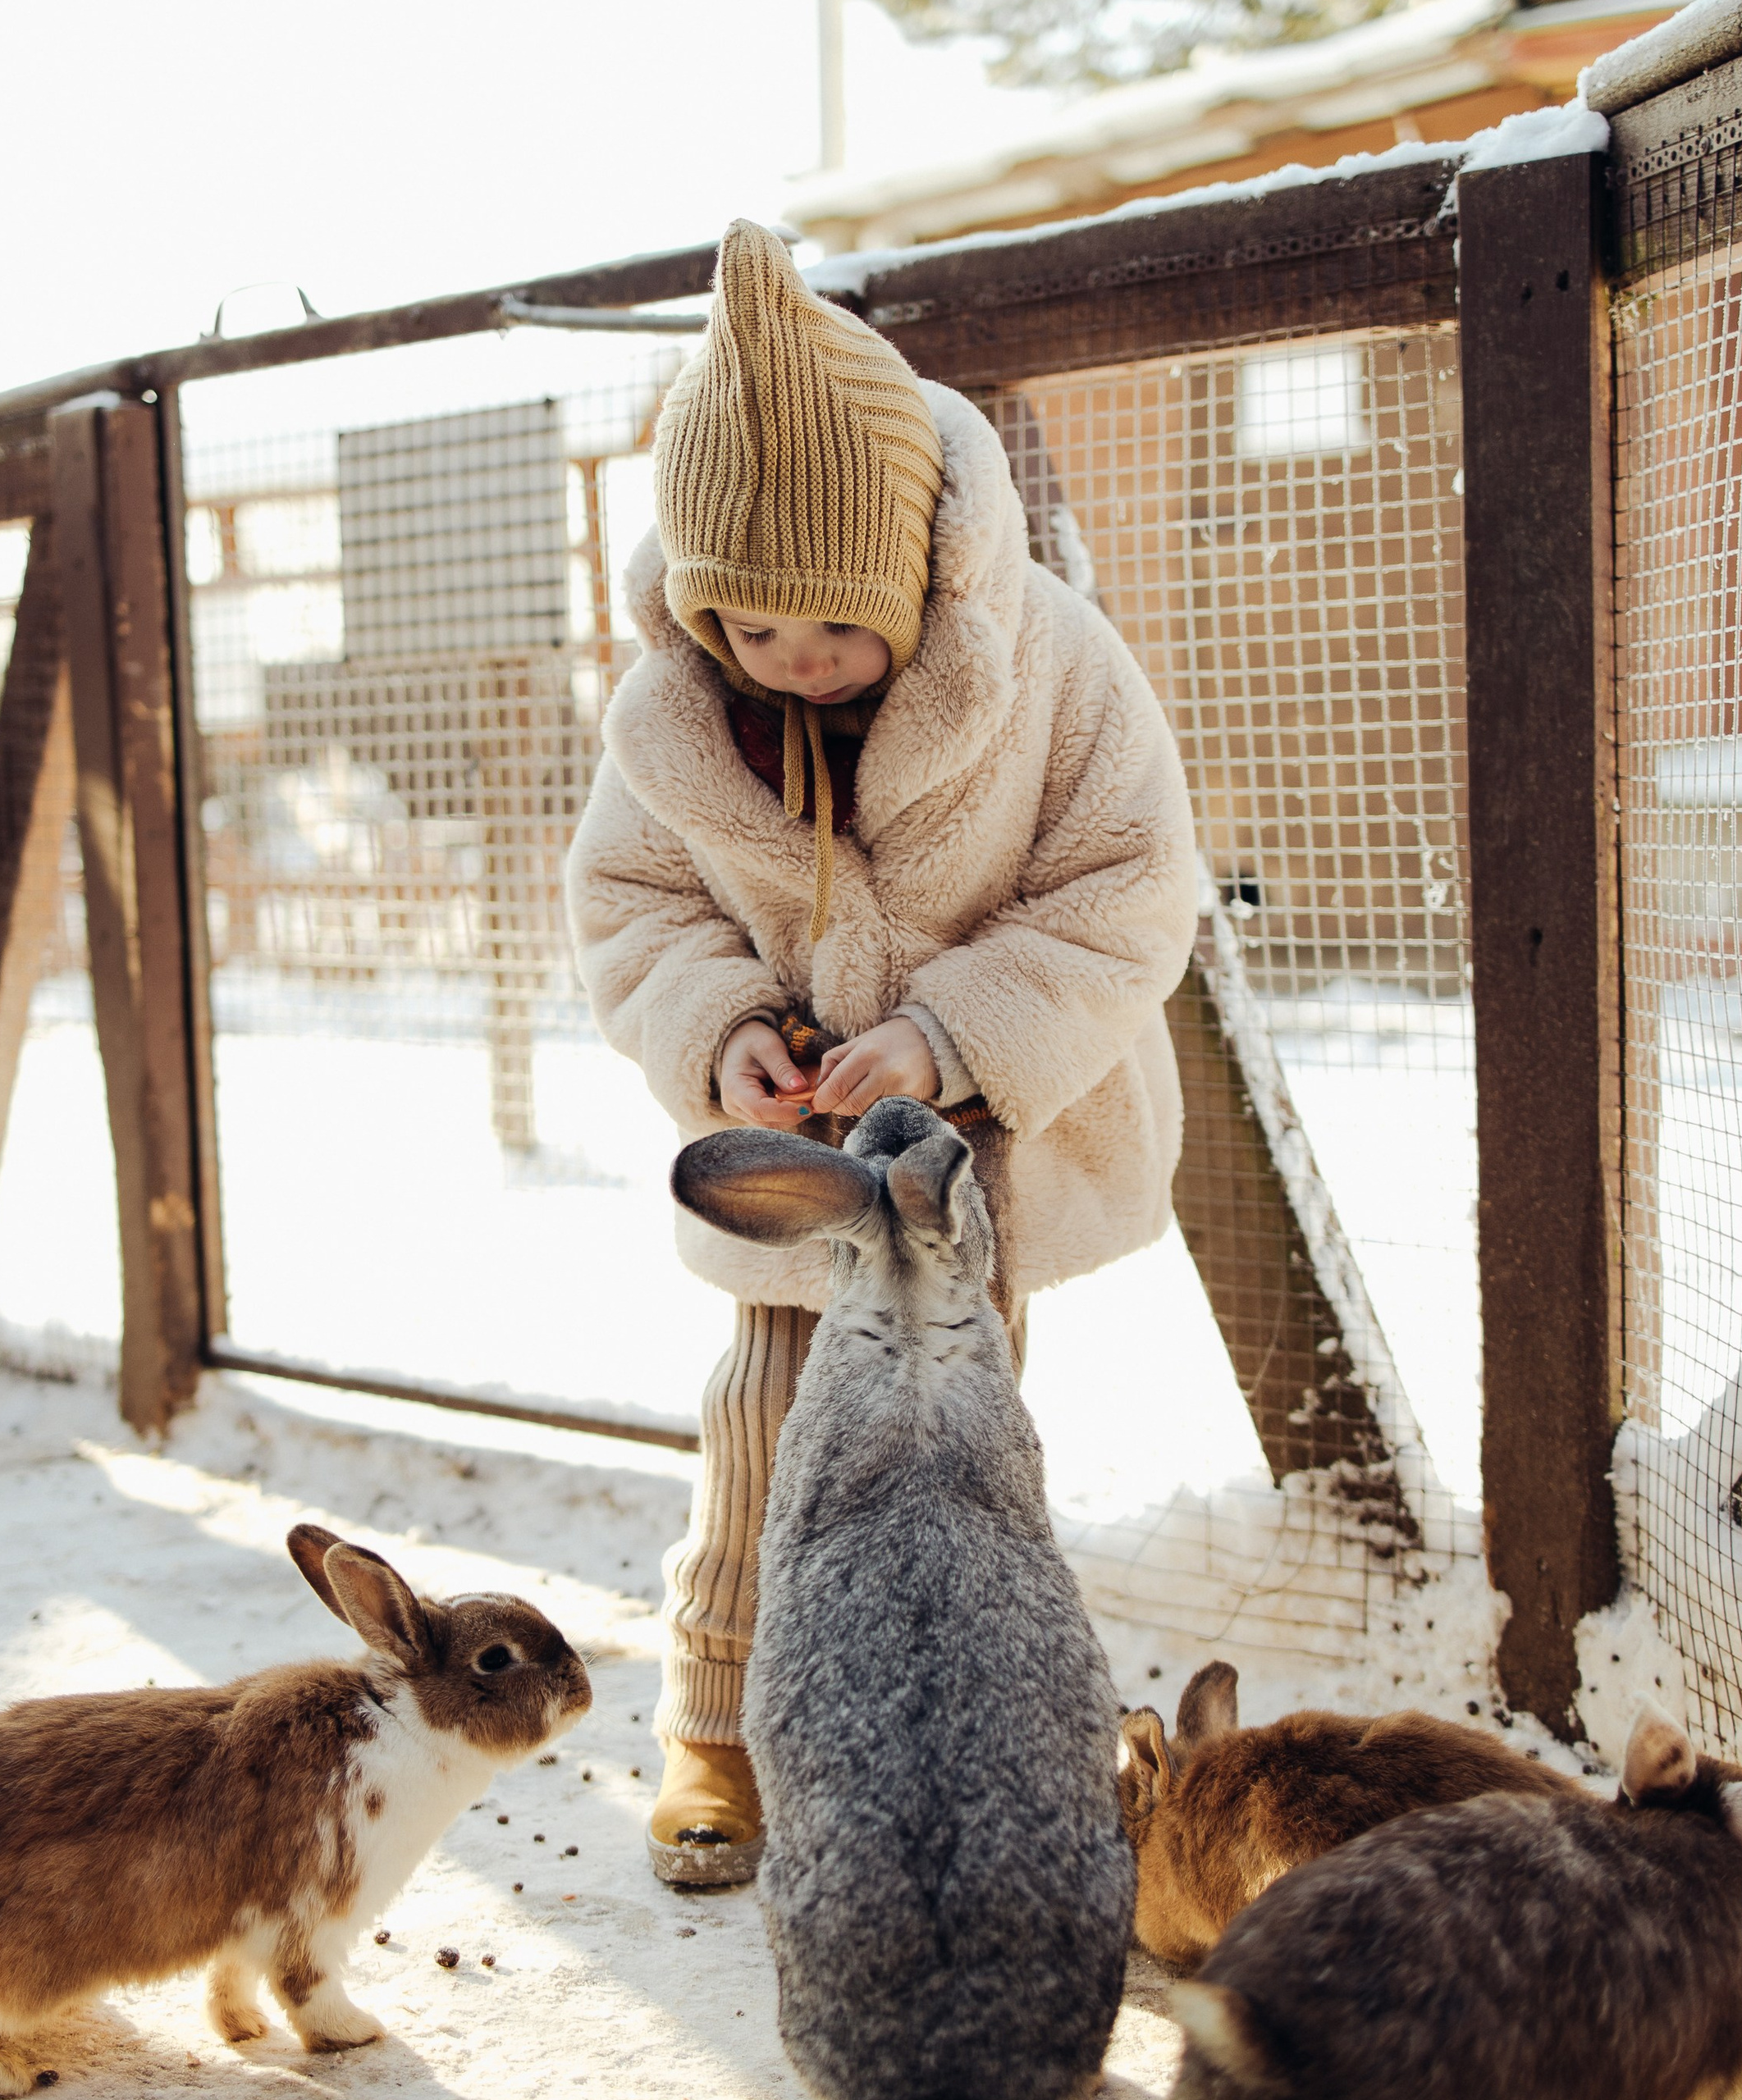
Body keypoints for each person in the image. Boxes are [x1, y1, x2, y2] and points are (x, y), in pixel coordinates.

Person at [566, 220, 1197, 1886]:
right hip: (793, 1170)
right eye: (753, 629)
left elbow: (1132, 884)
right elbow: (631, 903)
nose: (796, 664)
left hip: (980, 1154)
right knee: (766, 1420)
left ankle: (957, 1735)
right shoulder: (677, 715)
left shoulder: (1050, 660)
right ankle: (721, 1726)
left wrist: (951, 1030)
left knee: (960, 1445)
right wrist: (720, 1030)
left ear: (917, 564)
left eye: (833, 629)